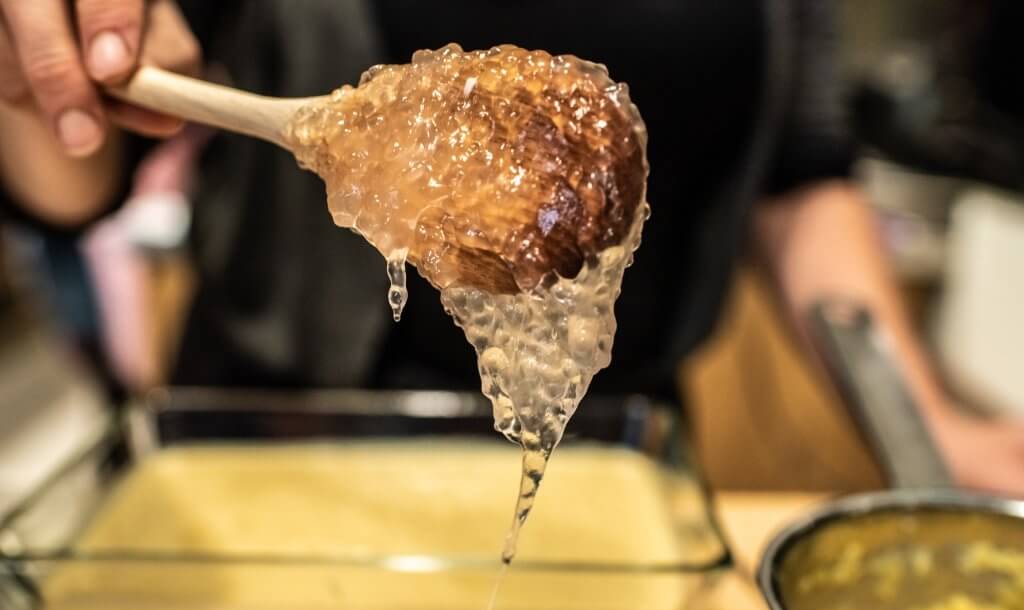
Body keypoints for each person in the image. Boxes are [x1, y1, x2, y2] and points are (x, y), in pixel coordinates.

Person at [1, 0, 1022, 494]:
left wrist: (925, 421)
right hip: (276, 464)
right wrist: (42, 73)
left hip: (616, 473)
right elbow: (72, 186)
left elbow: (802, 178)